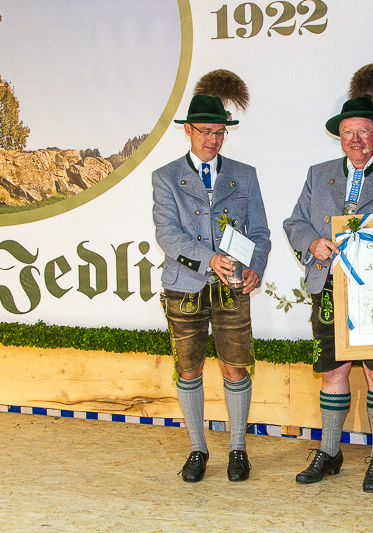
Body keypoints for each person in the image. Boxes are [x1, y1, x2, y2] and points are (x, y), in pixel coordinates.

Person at [284, 95, 373, 493]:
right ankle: (329, 451)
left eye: (364, 131)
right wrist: (313, 243)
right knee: (333, 371)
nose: (356, 139)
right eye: (348, 132)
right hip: (329, 288)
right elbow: (295, 222)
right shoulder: (319, 174)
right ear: (339, 137)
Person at [152, 84, 271, 484]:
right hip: (184, 286)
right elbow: (167, 235)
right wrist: (210, 259)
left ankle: (238, 448)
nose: (212, 140)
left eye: (219, 133)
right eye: (205, 131)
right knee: (188, 369)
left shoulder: (244, 175)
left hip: (232, 287)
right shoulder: (165, 177)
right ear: (188, 129)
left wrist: (255, 267)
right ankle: (197, 448)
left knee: (235, 366)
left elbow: (260, 233)